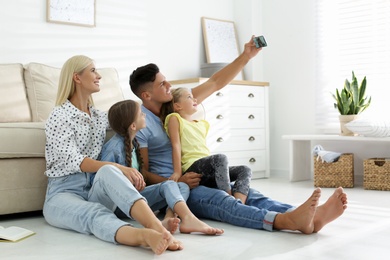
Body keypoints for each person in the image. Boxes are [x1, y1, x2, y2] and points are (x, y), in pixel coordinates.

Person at [129, 36, 348, 234]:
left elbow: (216, 82)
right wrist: (177, 180)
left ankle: (310, 216)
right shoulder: (140, 123)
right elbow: (145, 173)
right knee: (223, 200)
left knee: (249, 193)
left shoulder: (176, 104)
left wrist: (246, 56)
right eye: (162, 84)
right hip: (180, 188)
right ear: (147, 95)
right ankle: (285, 221)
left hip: (200, 173)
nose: (169, 85)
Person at [43, 55, 183, 255]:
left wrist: (176, 106)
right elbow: (75, 160)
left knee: (107, 171)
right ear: (77, 78)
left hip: (92, 189)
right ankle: (144, 236)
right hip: (62, 194)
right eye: (92, 70)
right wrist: (121, 167)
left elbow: (130, 119)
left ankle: (156, 227)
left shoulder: (99, 117)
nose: (98, 75)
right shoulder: (59, 116)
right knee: (94, 212)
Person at [100, 99, 224, 235]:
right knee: (168, 185)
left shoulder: (133, 143)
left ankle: (169, 217)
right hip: (119, 204)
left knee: (181, 186)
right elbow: (104, 181)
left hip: (135, 198)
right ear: (133, 126)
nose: (145, 115)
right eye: (141, 114)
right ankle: (188, 218)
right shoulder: (114, 149)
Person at [160, 87, 251, 204]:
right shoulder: (175, 118)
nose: (195, 99)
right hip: (192, 167)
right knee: (220, 158)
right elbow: (176, 145)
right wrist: (178, 172)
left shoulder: (202, 124)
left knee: (244, 169)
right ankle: (229, 200)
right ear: (178, 106)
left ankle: (239, 203)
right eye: (189, 97)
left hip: (210, 168)